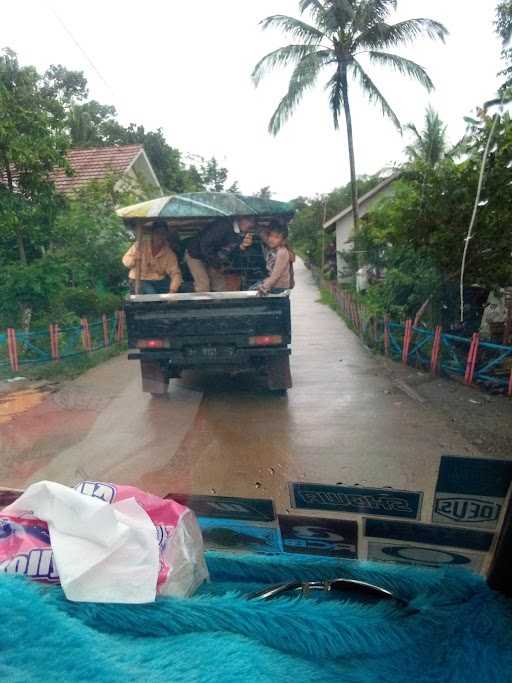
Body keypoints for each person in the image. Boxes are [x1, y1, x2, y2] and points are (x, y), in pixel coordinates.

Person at [185, 217, 255, 292]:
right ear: (240, 218)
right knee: (203, 285)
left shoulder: (240, 234)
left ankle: (219, 303)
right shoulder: (223, 225)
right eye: (249, 220)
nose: (252, 224)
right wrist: (216, 264)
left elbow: (231, 251)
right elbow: (205, 244)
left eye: (254, 222)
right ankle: (202, 303)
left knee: (220, 286)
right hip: (195, 254)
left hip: (212, 258)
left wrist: (242, 247)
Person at [123, 221, 182, 294]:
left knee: (181, 288)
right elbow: (126, 262)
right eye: (157, 233)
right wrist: (134, 258)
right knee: (151, 293)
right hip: (138, 280)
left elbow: (175, 273)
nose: (160, 236)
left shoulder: (169, 253)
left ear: (166, 235)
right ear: (152, 234)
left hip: (158, 281)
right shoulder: (139, 245)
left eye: (163, 234)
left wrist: (172, 291)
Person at [255, 222, 293, 295]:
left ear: (283, 241)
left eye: (276, 237)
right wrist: (257, 225)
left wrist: (264, 286)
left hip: (279, 288)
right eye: (271, 236)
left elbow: (276, 274)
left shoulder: (282, 252)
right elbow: (263, 236)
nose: (272, 239)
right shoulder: (274, 249)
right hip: (274, 285)